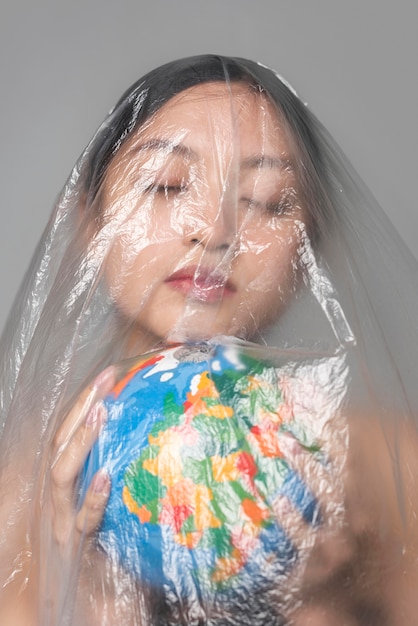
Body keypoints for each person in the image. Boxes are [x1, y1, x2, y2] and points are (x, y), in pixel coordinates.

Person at [0, 54, 417, 625]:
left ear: (309, 250)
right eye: (167, 185)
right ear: (90, 222)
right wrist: (65, 600)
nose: (215, 231)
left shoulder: (399, 470)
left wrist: (319, 603)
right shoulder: (11, 497)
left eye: (267, 201)